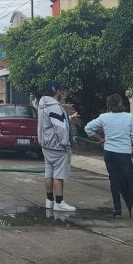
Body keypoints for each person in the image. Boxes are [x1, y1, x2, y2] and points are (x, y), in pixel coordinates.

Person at [84, 94, 133, 220]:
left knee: (114, 181)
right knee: (131, 182)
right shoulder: (128, 117)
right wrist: (129, 145)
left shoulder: (104, 117)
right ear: (120, 104)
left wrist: (101, 139)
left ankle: (117, 211)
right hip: (123, 154)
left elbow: (88, 128)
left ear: (109, 105)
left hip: (109, 153)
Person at [38, 80, 76, 212]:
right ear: (57, 91)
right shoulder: (54, 107)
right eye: (61, 90)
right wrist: (66, 144)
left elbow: (50, 122)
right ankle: (59, 202)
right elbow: (60, 128)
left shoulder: (43, 105)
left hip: (46, 144)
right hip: (57, 145)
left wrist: (69, 118)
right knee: (59, 174)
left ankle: (49, 200)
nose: (62, 93)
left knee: (49, 172)